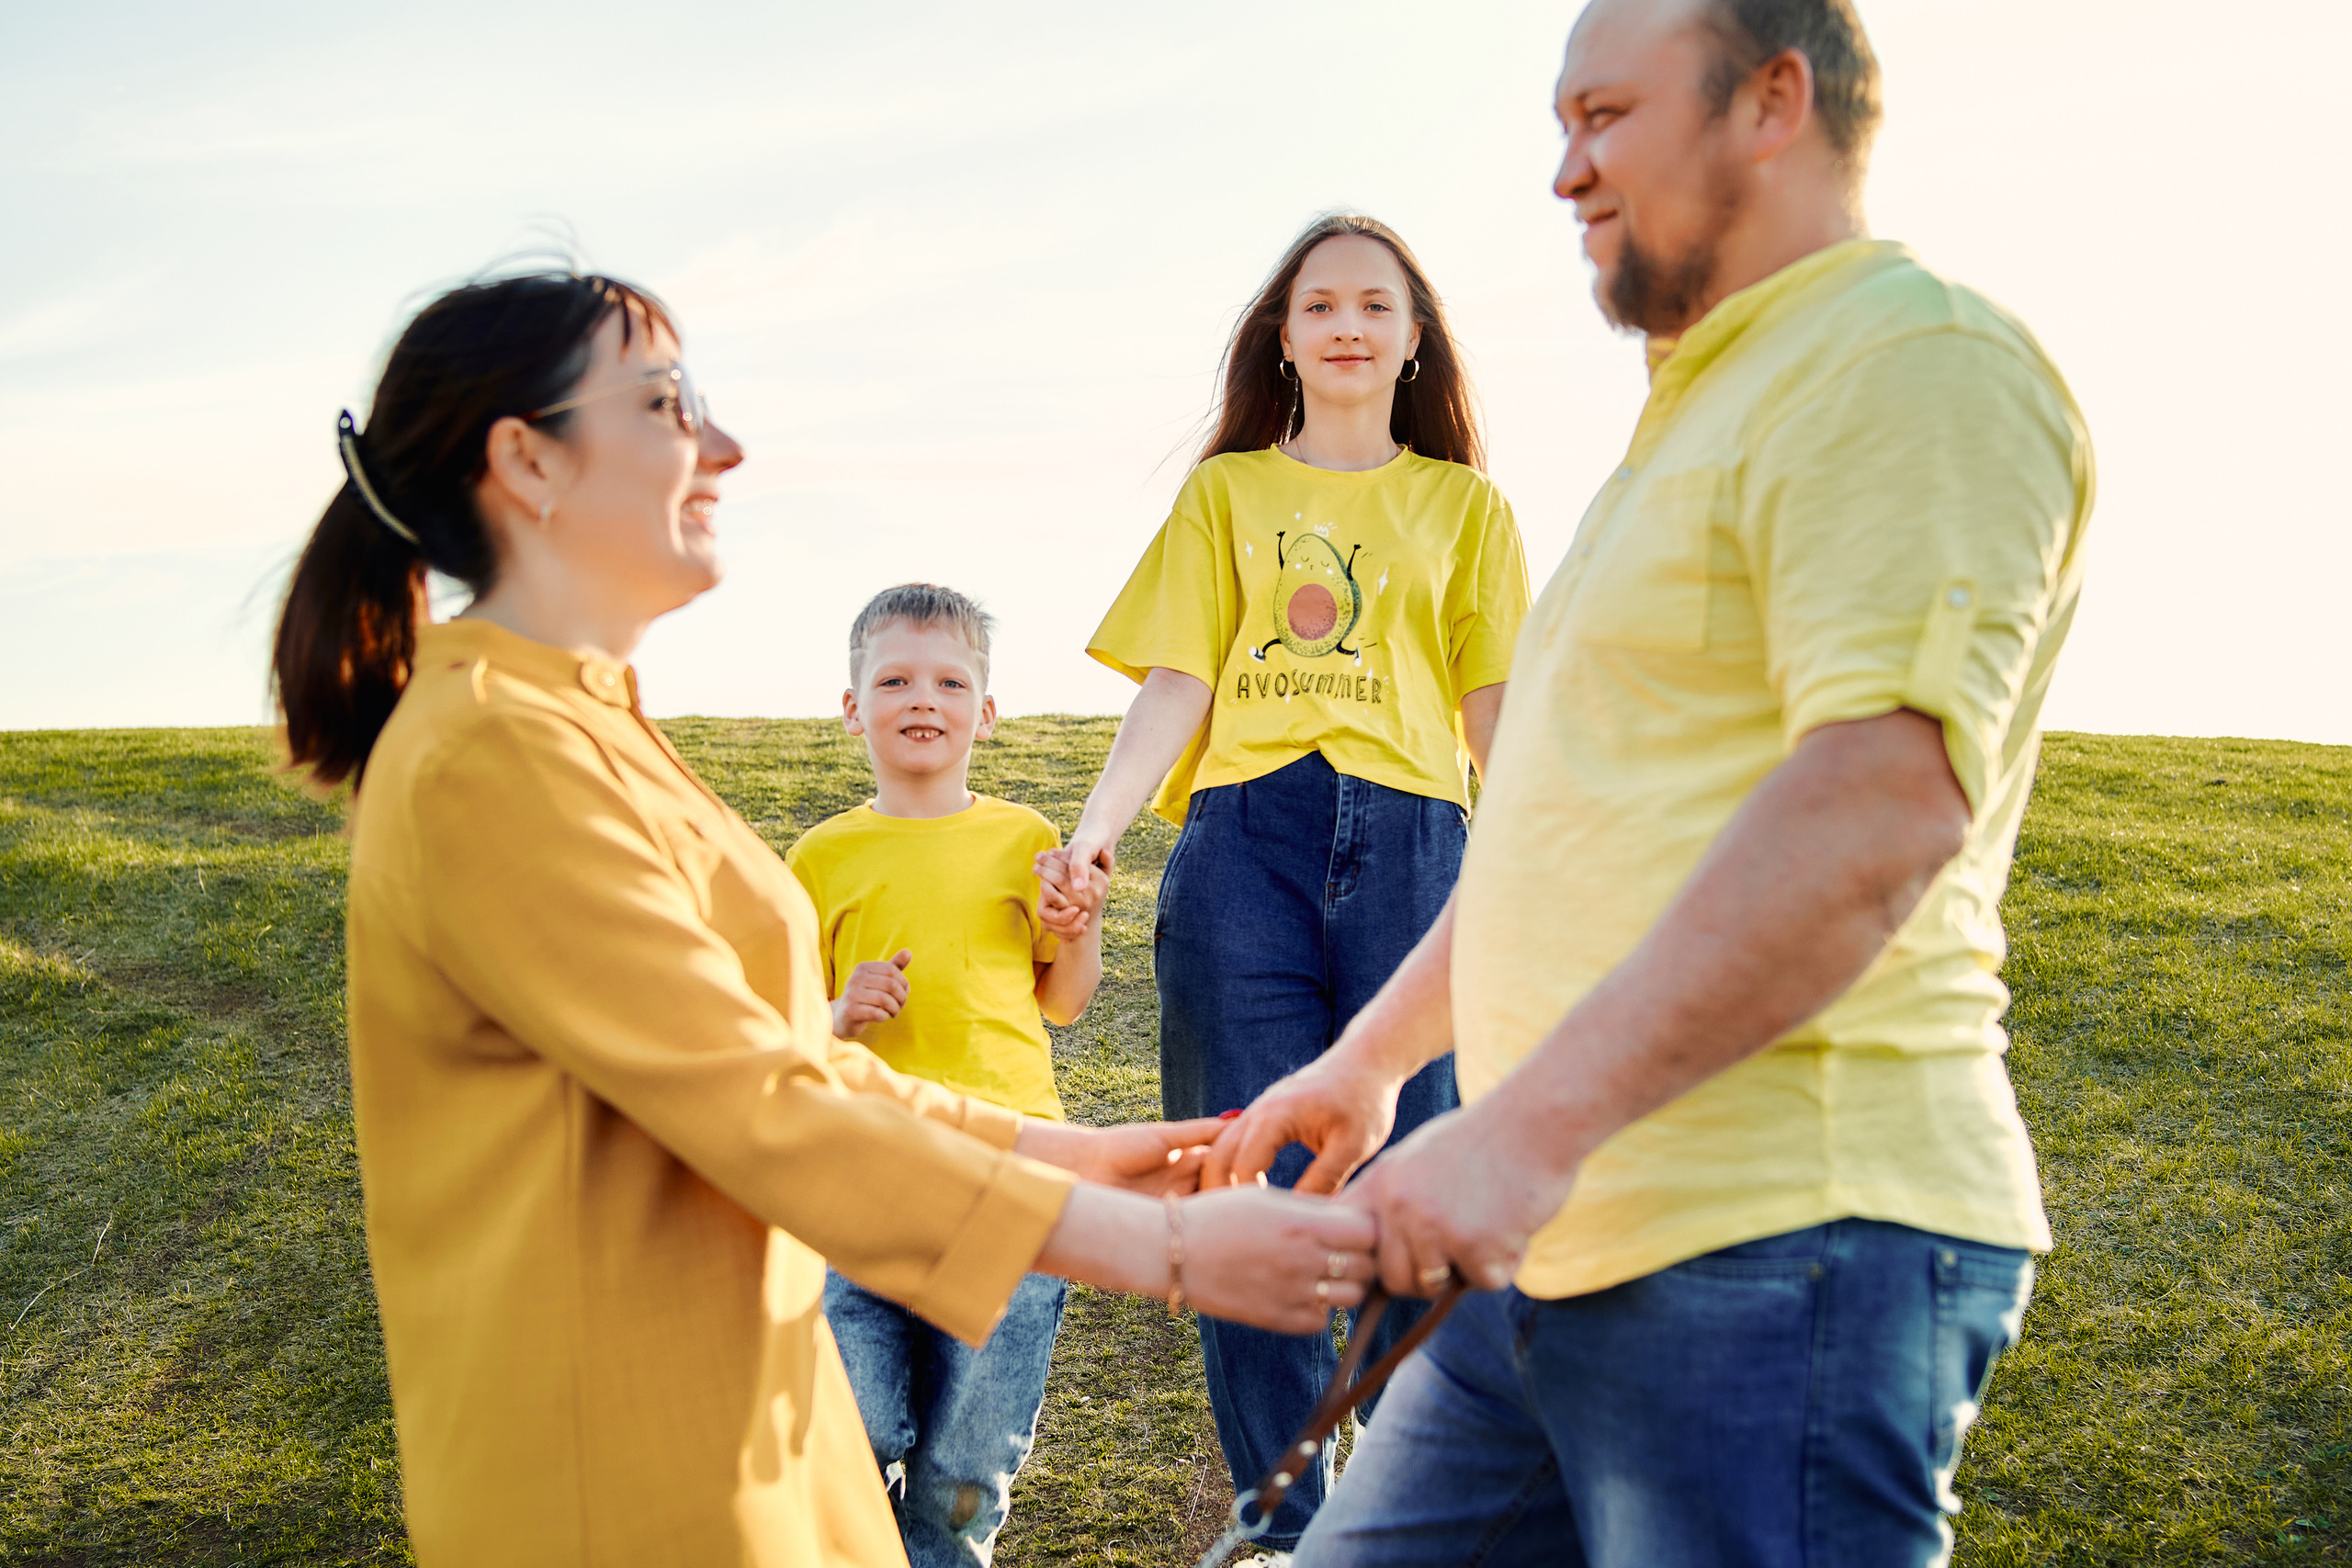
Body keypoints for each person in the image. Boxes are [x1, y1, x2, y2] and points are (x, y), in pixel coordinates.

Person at [269, 269, 1379, 1568]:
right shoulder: (488, 754)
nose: (725, 447)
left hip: (751, 1449)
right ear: (529, 459)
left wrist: (1086, 1155)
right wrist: (1168, 1245)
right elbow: (761, 1104)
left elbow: (795, 1071)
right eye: (671, 403)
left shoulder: (579, 723)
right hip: (626, 1486)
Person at [1206, 3, 2096, 1563]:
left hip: (1779, 1249)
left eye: (1604, 115)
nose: (1566, 171)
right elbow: (1569, 831)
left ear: (1772, 99)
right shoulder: (1679, 433)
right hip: (1548, 1253)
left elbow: (1878, 810)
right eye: (1562, 125)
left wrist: (1519, 1130)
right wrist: (1370, 1060)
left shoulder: (1908, 364)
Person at [1037, 214, 1531, 1551]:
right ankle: (1286, 1527)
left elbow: (1498, 716)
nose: (1349, 324)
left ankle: (1413, 1516)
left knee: (1418, 1190)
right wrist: (1097, 834)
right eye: (1321, 304)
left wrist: (1564, 863)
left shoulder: (1468, 508)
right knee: (1245, 1182)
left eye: (1377, 303)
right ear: (1285, 334)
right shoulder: (1228, 496)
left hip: (1423, 851)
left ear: (1415, 337)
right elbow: (1179, 680)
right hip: (1243, 848)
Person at [786, 583, 1106, 1565]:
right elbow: (785, 1035)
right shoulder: (818, 857)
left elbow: (1064, 1000)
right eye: (893, 679)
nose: (922, 699)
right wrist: (839, 1015)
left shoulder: (1022, 839)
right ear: (853, 709)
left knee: (963, 1468)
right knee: (854, 1425)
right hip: (862, 1180)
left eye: (948, 681)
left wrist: (1079, 924)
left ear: (985, 710)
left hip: (1005, 1172)